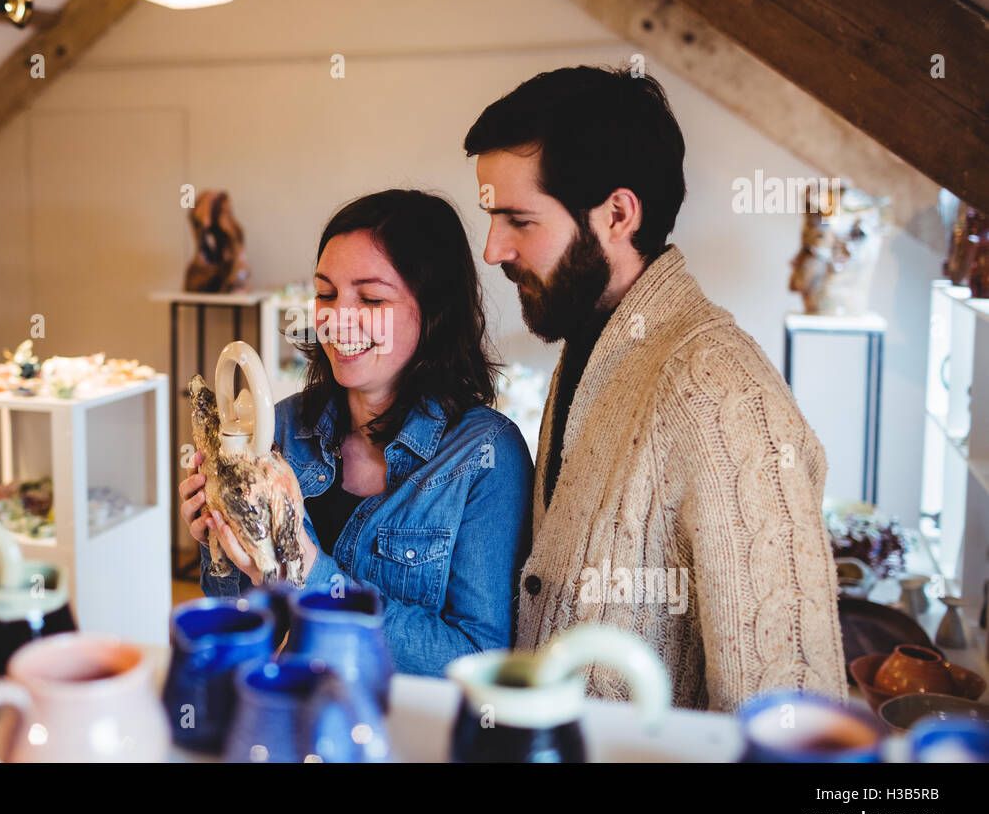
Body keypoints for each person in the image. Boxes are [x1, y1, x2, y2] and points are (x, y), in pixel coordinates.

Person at [464, 65, 847, 711]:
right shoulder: (596, 341)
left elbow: (792, 711)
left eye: (519, 221)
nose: (493, 249)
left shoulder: (723, 394)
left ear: (618, 214)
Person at [178, 189, 532, 676]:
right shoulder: (280, 427)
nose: (336, 318)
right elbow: (238, 613)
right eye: (325, 293)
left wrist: (310, 571)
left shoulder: (485, 456)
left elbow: (479, 659)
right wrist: (218, 543)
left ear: (432, 313)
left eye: (370, 297)